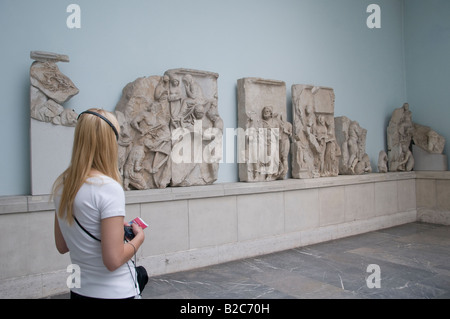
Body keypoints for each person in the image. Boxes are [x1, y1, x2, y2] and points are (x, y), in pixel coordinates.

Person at [52, 108, 145, 299]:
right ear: (109, 143)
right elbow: (113, 260)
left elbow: (62, 245)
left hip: (79, 289)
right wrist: (139, 239)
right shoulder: (108, 188)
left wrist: (113, 229)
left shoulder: (62, 185)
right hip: (114, 292)